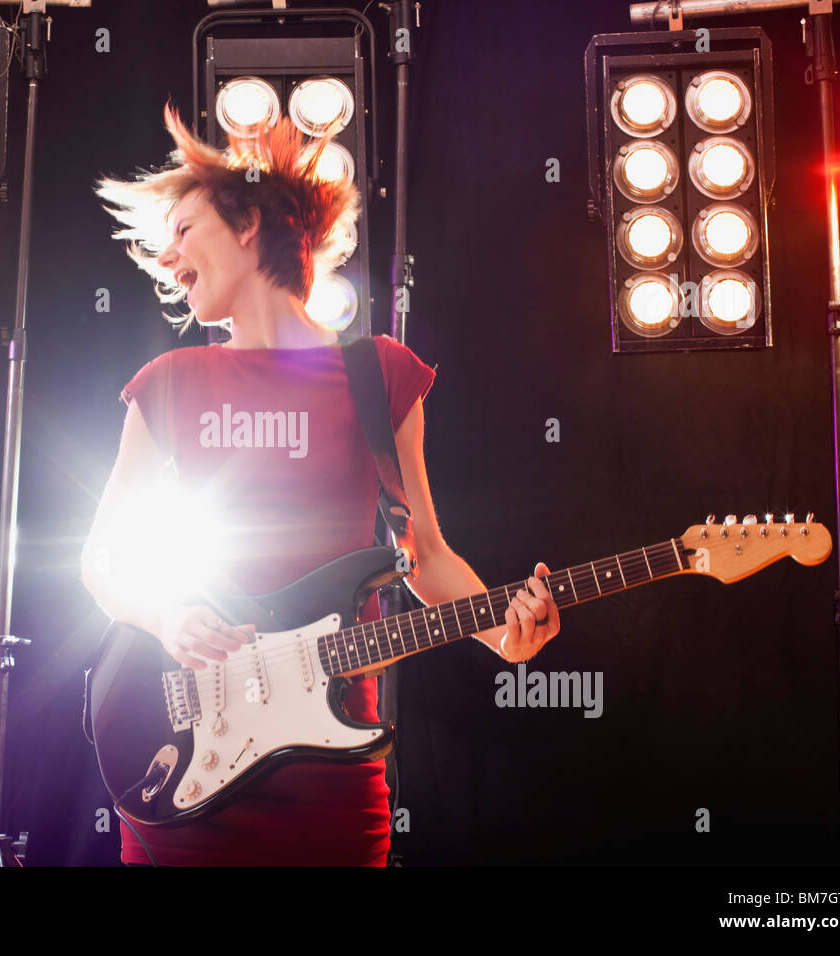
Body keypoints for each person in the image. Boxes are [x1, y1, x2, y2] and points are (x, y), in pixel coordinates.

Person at [80, 103, 561, 866]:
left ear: (246, 226)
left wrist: (504, 633)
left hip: (330, 767)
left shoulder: (379, 375)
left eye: (183, 230)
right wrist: (168, 615)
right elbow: (103, 560)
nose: (167, 258)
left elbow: (424, 554)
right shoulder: (168, 382)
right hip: (192, 761)